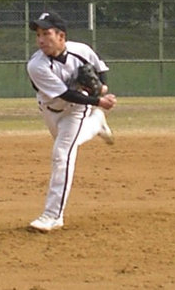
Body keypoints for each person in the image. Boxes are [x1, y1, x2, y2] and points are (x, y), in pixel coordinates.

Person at [26, 12, 117, 232]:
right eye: (38, 35)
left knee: (62, 154)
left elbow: (101, 70)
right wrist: (99, 102)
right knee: (68, 146)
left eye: (46, 33)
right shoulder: (36, 65)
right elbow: (65, 94)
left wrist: (102, 88)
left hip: (77, 110)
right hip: (51, 110)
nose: (40, 40)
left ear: (61, 36)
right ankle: (96, 123)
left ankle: (52, 215)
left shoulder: (82, 51)